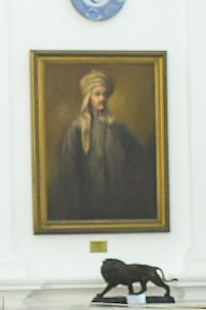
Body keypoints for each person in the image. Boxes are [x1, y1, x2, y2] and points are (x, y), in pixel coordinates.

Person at [52, 68, 157, 222]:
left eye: (105, 94)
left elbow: (138, 158)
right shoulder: (75, 130)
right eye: (97, 94)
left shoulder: (118, 128)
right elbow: (69, 173)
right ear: (88, 97)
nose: (102, 98)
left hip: (118, 203)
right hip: (87, 205)